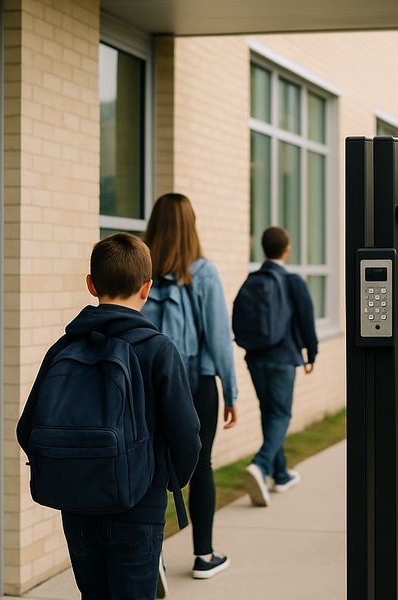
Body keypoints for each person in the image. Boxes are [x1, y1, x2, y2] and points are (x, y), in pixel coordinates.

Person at [17, 233, 202, 600]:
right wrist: (170, 479)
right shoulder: (159, 350)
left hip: (78, 506)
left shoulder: (64, 347)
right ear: (146, 288)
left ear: (90, 284)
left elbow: (27, 428)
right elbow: (187, 433)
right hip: (139, 506)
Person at [142, 193, 239, 585]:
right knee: (201, 466)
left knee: (149, 467)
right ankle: (203, 555)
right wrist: (231, 392)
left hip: (149, 382)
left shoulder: (140, 269)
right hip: (195, 383)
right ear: (191, 225)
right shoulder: (203, 272)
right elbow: (219, 338)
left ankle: (152, 560)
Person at [236, 226, 318, 507]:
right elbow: (307, 320)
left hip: (255, 357)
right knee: (281, 415)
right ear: (287, 248)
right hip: (283, 358)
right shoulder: (293, 281)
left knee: (269, 413)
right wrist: (312, 353)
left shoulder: (252, 279)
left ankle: (280, 474)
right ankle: (260, 466)